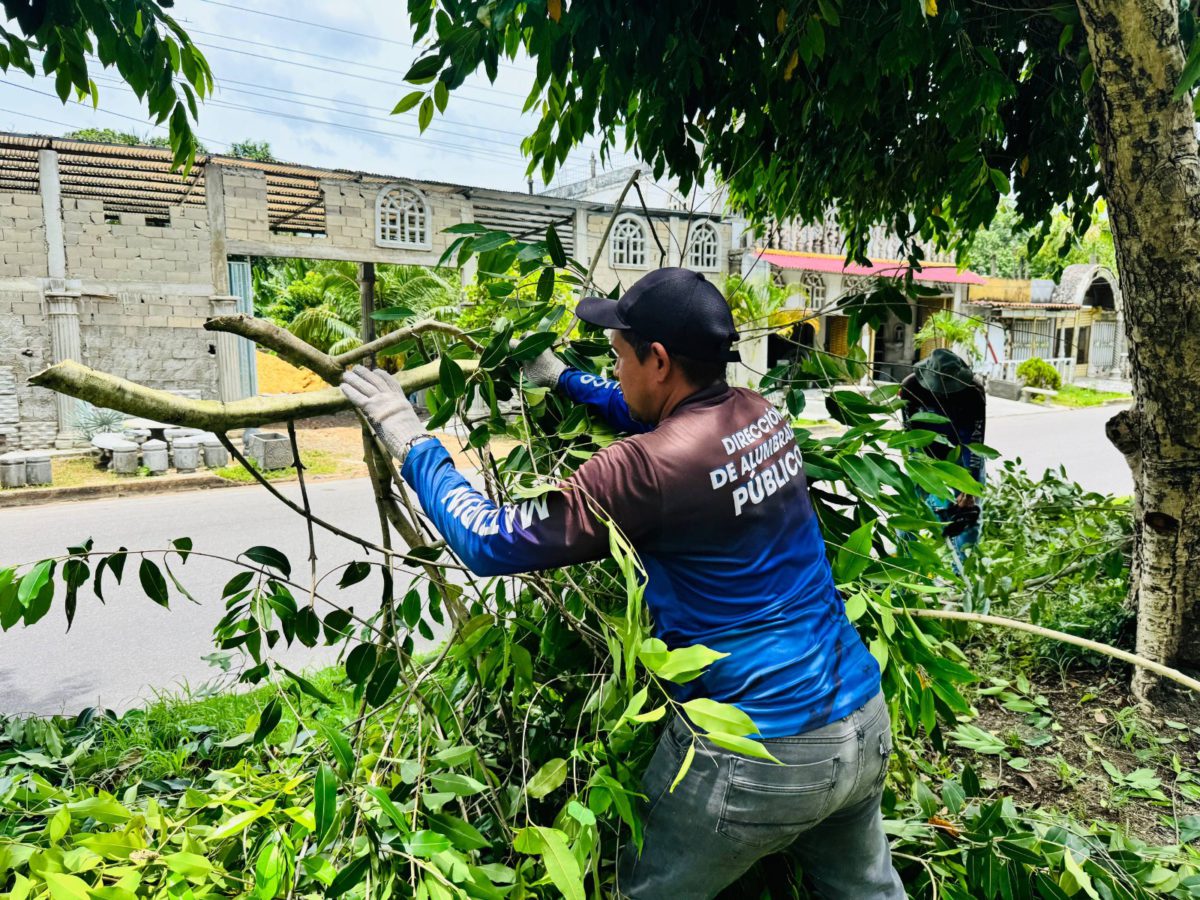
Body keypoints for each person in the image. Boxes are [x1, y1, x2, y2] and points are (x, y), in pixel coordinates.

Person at [340, 267, 902, 899]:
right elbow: (645, 414)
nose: (616, 370)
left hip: (758, 752)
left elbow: (491, 541)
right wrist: (563, 381)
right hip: (861, 720)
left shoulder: (642, 469)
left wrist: (412, 441)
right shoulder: (761, 415)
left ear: (658, 360)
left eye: (618, 356)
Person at [899, 348, 987, 554]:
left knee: (968, 517)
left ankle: (965, 571)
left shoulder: (973, 391)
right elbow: (911, 435)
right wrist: (927, 478)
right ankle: (904, 574)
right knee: (910, 512)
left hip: (961, 456)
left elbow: (974, 440)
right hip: (923, 456)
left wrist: (969, 487)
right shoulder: (911, 387)